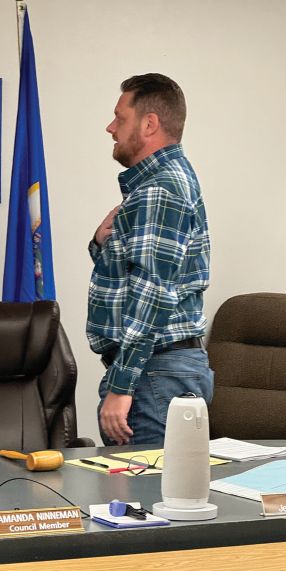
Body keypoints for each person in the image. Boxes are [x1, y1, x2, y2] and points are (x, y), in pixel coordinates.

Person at [87, 73, 213, 446]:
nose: (110, 128)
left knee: (147, 500)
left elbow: (153, 295)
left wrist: (122, 385)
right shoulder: (161, 182)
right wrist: (100, 244)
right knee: (142, 497)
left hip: (153, 374)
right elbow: (143, 276)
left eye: (119, 118)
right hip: (158, 370)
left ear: (149, 123)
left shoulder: (159, 188)